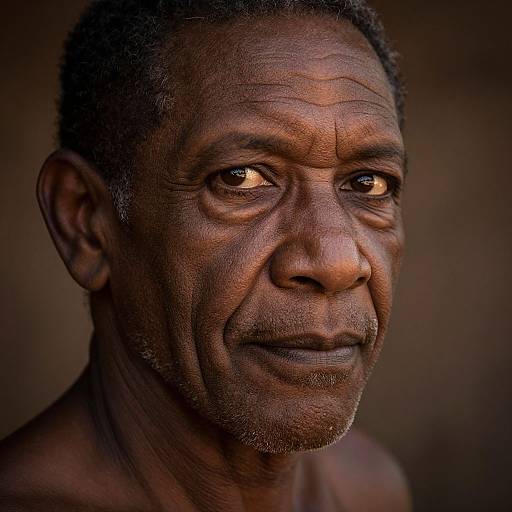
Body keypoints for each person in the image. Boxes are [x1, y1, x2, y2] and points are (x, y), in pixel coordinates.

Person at [0, 1, 411, 510]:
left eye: (367, 183)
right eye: (240, 178)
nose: (337, 263)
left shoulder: (370, 487)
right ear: (84, 222)